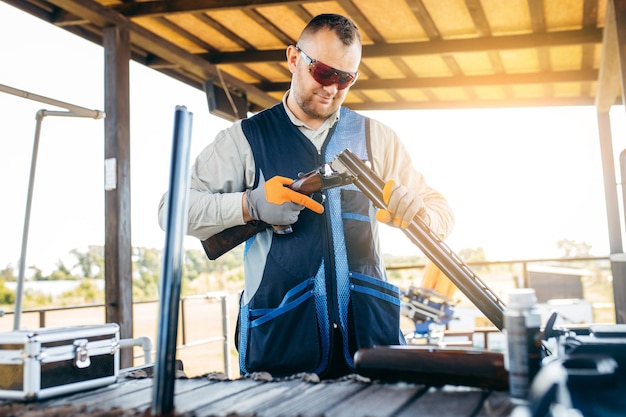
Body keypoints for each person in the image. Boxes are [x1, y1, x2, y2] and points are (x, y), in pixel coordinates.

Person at [158, 13, 454, 379]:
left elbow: (441, 212)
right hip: (281, 346)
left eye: (346, 78)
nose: (332, 88)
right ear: (294, 59)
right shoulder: (245, 138)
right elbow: (169, 211)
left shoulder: (377, 137)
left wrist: (419, 210)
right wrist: (249, 205)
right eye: (323, 72)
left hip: (370, 347)